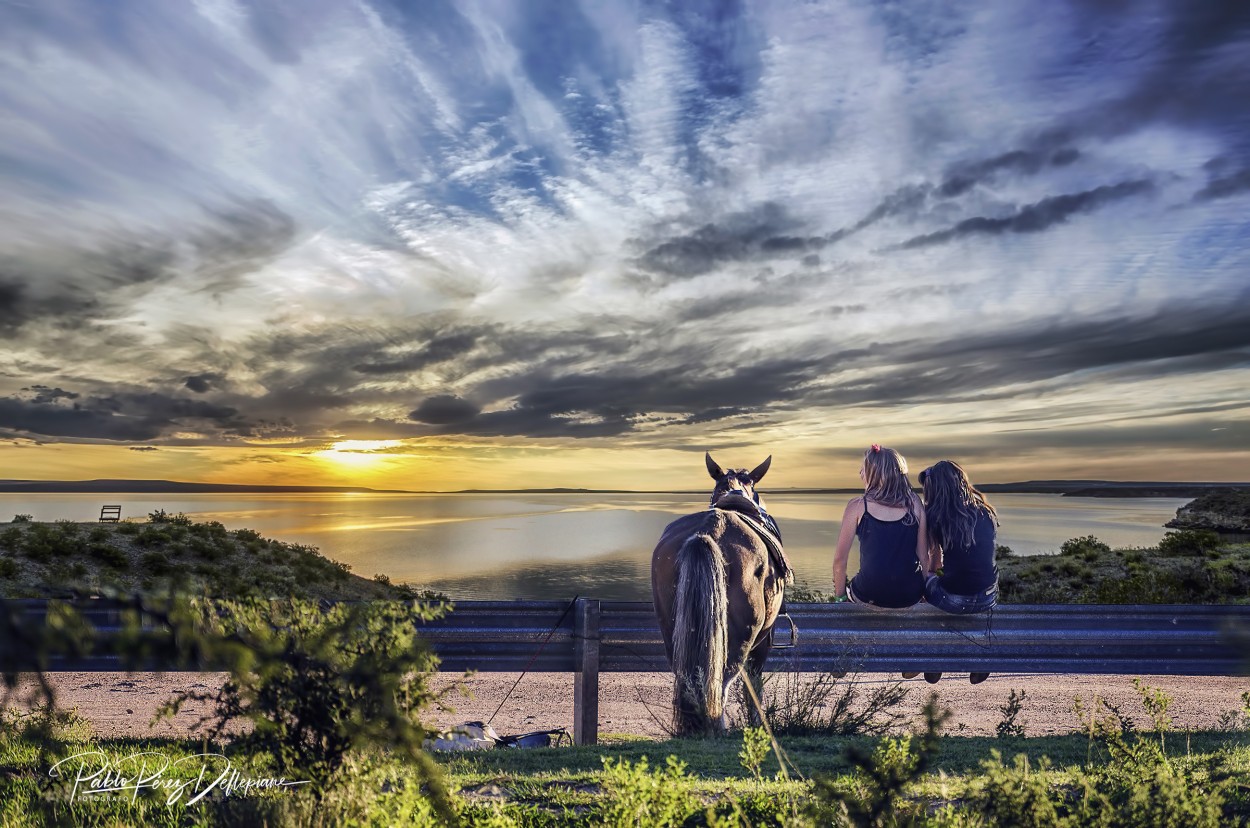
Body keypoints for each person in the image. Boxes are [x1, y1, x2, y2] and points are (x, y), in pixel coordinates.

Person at [919, 459, 1000, 685]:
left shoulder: (936, 516)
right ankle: (980, 660)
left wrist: (930, 579)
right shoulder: (985, 511)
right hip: (988, 598)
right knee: (981, 577)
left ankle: (933, 659)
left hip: (955, 601)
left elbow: (933, 562)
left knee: (927, 584)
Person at [832, 445, 927, 609]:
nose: (860, 473)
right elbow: (924, 557)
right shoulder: (915, 503)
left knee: (856, 585)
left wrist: (840, 599)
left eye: (863, 469)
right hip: (909, 595)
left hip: (868, 594)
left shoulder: (857, 506)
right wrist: (923, 593)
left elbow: (840, 561)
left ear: (874, 474)